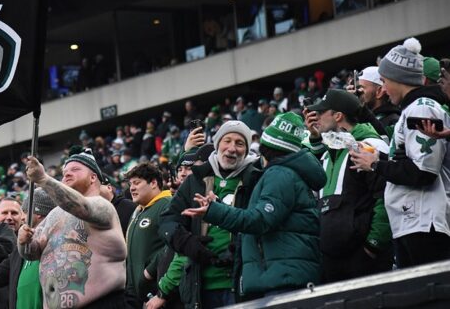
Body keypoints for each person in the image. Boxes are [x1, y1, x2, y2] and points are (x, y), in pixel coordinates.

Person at [185, 112, 325, 298]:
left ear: (268, 147)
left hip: (284, 279)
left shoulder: (280, 175)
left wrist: (214, 211)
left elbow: (259, 219)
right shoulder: (284, 173)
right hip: (283, 275)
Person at [351, 38, 450, 267]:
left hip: (425, 222)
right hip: (414, 220)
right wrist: (378, 159)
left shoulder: (422, 107)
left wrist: (376, 165)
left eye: (384, 81)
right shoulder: (412, 108)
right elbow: (411, 164)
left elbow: (423, 172)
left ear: (399, 80)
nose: (383, 89)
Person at [159, 121, 261, 308]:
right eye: (227, 141)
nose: (232, 148)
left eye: (240, 143)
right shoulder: (195, 181)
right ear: (217, 144)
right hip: (201, 287)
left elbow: (261, 221)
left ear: (247, 150)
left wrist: (241, 247)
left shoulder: (256, 178)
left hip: (242, 284)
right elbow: (168, 221)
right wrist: (187, 243)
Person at [18, 150, 127, 308]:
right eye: (64, 172)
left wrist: (43, 179)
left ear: (93, 177)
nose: (67, 174)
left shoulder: (102, 206)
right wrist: (23, 241)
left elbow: (81, 207)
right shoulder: (54, 215)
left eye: (75, 169)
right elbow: (31, 253)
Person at [305, 89, 393, 282]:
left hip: (364, 260)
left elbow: (386, 197)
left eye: (321, 113)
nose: (315, 118)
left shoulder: (369, 146)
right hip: (332, 262)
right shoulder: (327, 154)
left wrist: (372, 246)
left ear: (338, 116)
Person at [122, 163, 173, 307]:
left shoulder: (166, 204)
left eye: (137, 183)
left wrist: (148, 272)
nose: (131, 188)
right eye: (130, 184)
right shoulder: (137, 211)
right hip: (139, 296)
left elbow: (172, 246)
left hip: (160, 293)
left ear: (153, 183)